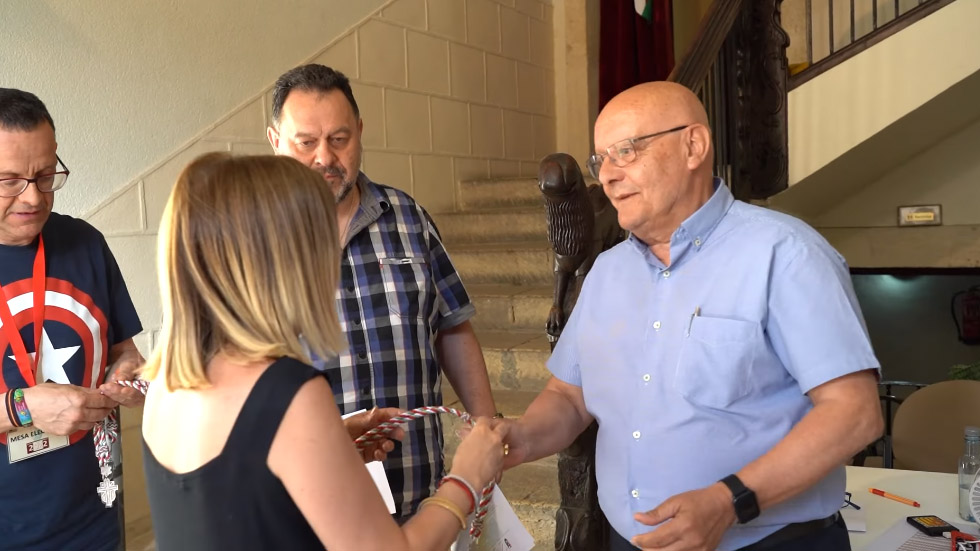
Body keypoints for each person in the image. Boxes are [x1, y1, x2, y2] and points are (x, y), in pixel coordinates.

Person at [497, 81, 884, 551]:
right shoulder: (606, 272)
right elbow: (570, 396)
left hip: (769, 541)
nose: (609, 176)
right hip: (629, 540)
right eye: (602, 160)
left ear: (693, 145)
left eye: (626, 151)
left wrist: (729, 502)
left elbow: (854, 414)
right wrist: (521, 437)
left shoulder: (785, 254)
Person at [140, 152, 508, 551]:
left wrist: (331, 448)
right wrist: (466, 479)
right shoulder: (286, 393)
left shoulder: (164, 385)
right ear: (283, 262)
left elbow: (240, 495)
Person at [266, 64, 498, 519]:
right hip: (307, 503)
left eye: (339, 138)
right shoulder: (251, 241)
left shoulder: (409, 218)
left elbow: (452, 327)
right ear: (276, 142)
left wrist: (486, 423)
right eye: (306, 142)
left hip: (417, 486)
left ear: (360, 132)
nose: (324, 159)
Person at [0, 88, 145, 551]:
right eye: (9, 180)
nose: (33, 197)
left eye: (45, 175)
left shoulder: (86, 242)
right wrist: (23, 408)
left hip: (95, 514)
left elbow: (125, 350)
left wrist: (127, 375)